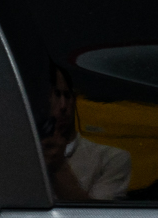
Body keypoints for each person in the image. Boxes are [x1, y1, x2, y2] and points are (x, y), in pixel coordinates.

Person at [43, 66, 132, 202]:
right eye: (54, 95)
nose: (63, 105)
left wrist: (59, 167)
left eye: (67, 95)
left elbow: (96, 214)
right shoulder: (20, 154)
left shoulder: (110, 159)